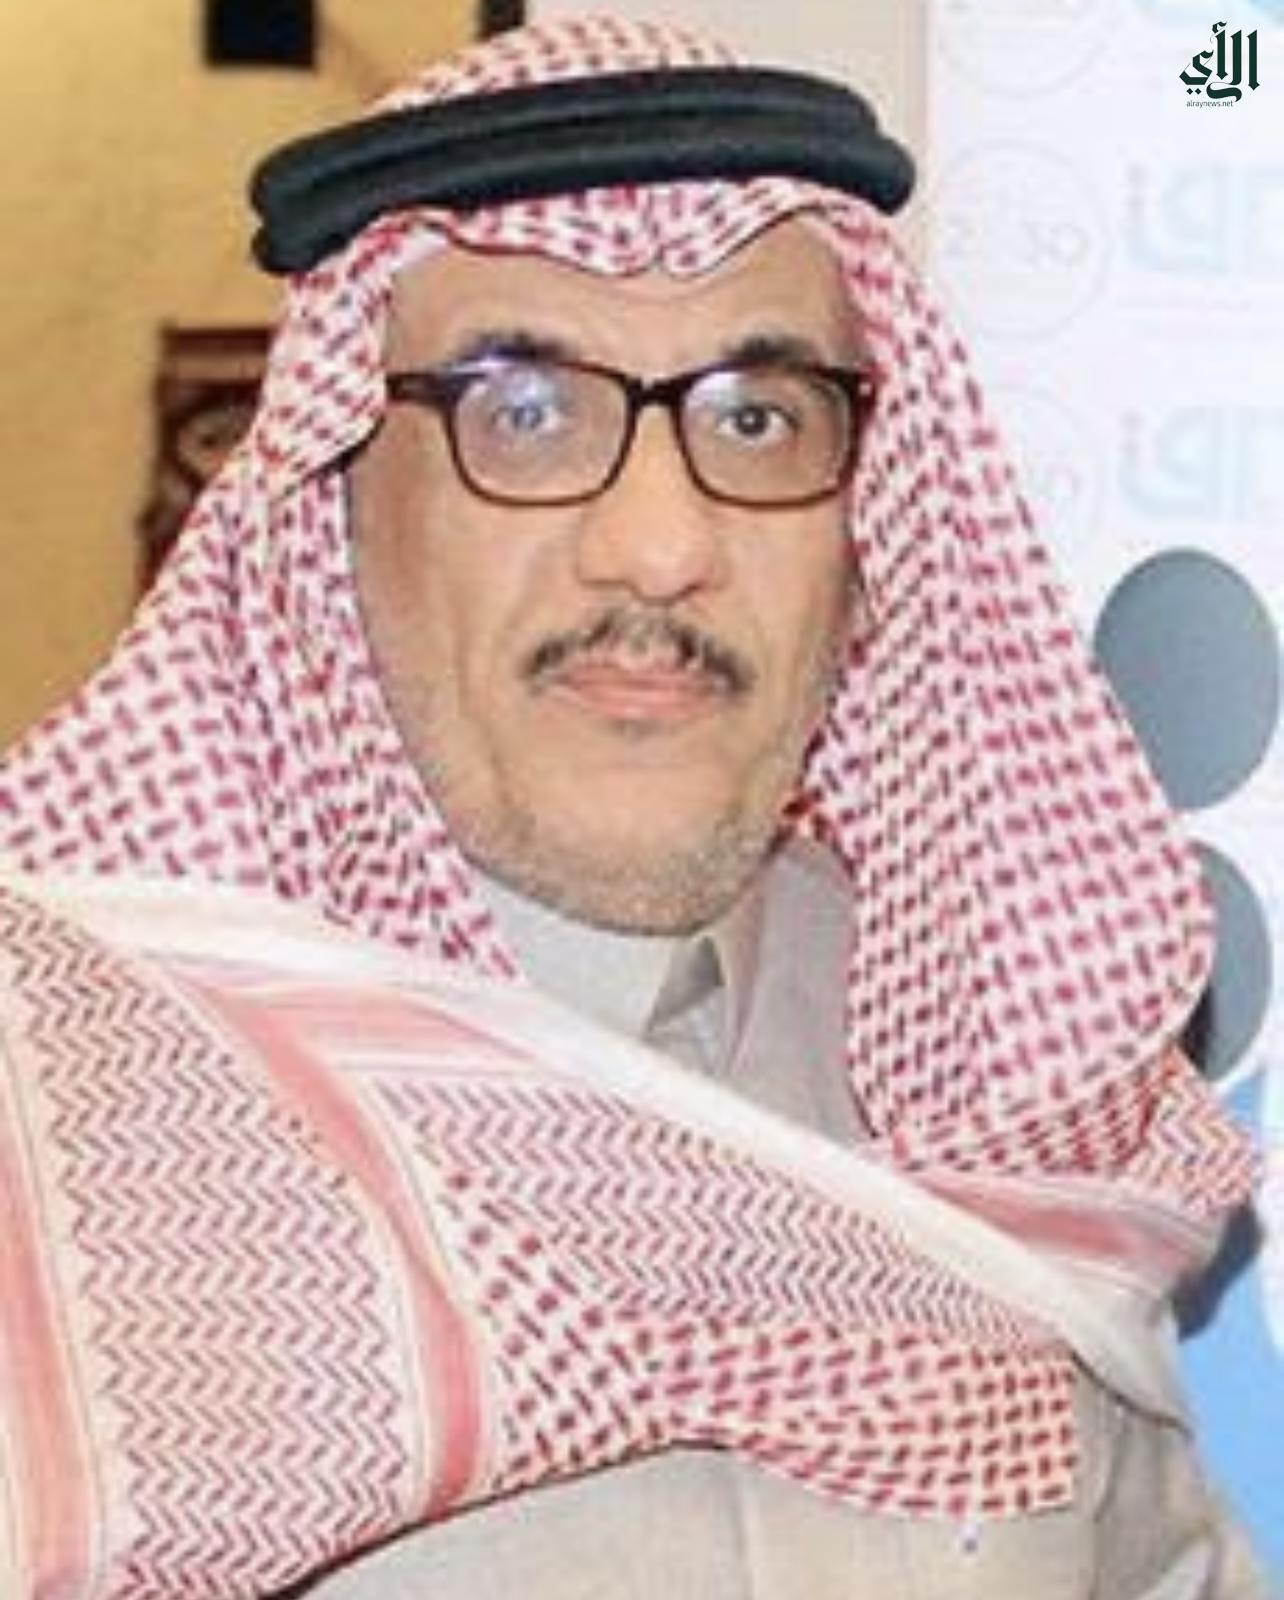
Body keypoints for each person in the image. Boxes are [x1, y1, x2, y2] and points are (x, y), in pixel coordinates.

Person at [0, 14, 1267, 1599]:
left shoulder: (1001, 1081)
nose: (661, 548)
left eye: (760, 418)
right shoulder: (63, 1108)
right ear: (329, 505)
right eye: (524, 412)